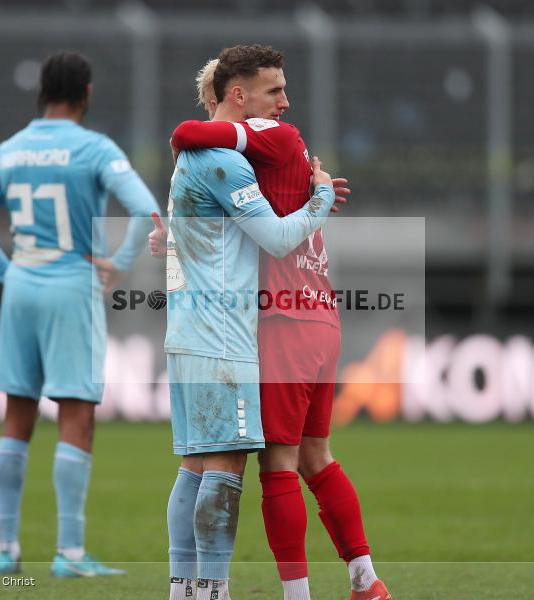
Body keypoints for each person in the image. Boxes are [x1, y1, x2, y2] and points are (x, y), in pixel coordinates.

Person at [166, 46, 390, 600]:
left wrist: (315, 198)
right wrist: (317, 196)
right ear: (236, 96)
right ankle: (365, 579)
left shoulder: (252, 152)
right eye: (276, 92)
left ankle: (286, 595)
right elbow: (199, 137)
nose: (286, 104)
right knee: (317, 455)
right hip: (316, 313)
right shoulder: (277, 144)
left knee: (261, 464)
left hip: (275, 318)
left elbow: (191, 140)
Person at [0, 50, 159, 577]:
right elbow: (144, 209)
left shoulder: (11, 150)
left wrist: (6, 271)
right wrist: (120, 263)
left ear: (41, 93)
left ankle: (5, 548)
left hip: (22, 283)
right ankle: (69, 553)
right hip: (72, 283)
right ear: (86, 94)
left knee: (17, 415)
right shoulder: (94, 148)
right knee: (76, 413)